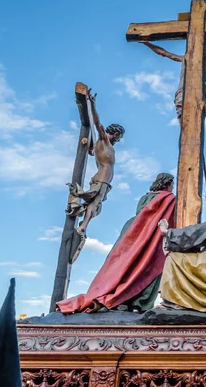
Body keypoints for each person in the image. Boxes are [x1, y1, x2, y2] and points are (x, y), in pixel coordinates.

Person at [57, 173, 176, 314]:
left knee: (125, 265)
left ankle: (120, 300)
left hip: (133, 231)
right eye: (172, 185)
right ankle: (139, 303)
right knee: (148, 268)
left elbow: (141, 213)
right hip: (154, 235)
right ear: (168, 184)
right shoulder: (169, 198)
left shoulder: (145, 197)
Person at [66, 90, 125, 262]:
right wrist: (92, 104)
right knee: (95, 204)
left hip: (103, 180)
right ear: (115, 133)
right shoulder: (104, 140)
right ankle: (82, 227)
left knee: (95, 207)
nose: (119, 139)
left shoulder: (102, 144)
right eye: (119, 136)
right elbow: (98, 123)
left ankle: (83, 226)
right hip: (102, 179)